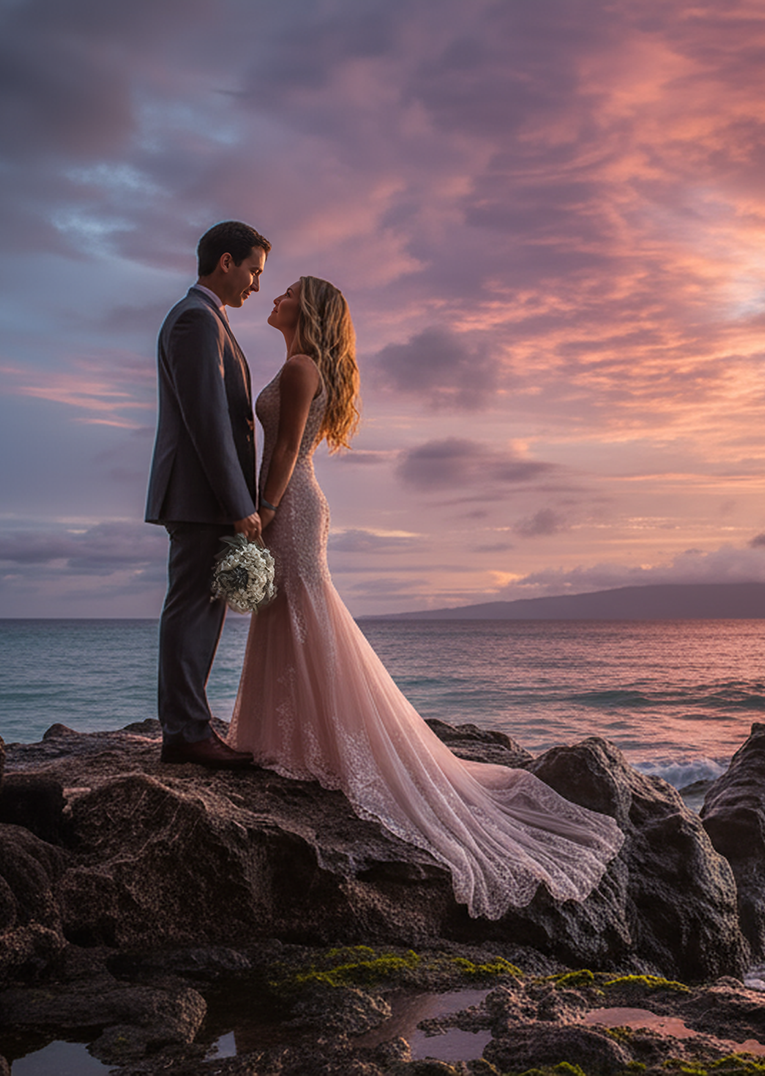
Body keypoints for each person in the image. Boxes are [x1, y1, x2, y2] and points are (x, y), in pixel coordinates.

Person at [229, 277, 623, 918]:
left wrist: (261, 510)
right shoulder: (295, 363)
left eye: (289, 291)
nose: (274, 295)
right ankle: (298, 738)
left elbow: (284, 452)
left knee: (305, 614)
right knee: (288, 615)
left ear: (311, 310)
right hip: (291, 504)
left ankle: (328, 743)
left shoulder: (301, 366)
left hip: (292, 506)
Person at [144, 221, 270, 769]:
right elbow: (208, 420)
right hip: (201, 496)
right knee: (192, 607)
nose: (256, 285)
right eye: (253, 271)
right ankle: (185, 735)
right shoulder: (196, 320)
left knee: (204, 607)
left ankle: (189, 727)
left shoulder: (206, 318)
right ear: (225, 261)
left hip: (204, 496)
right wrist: (238, 502)